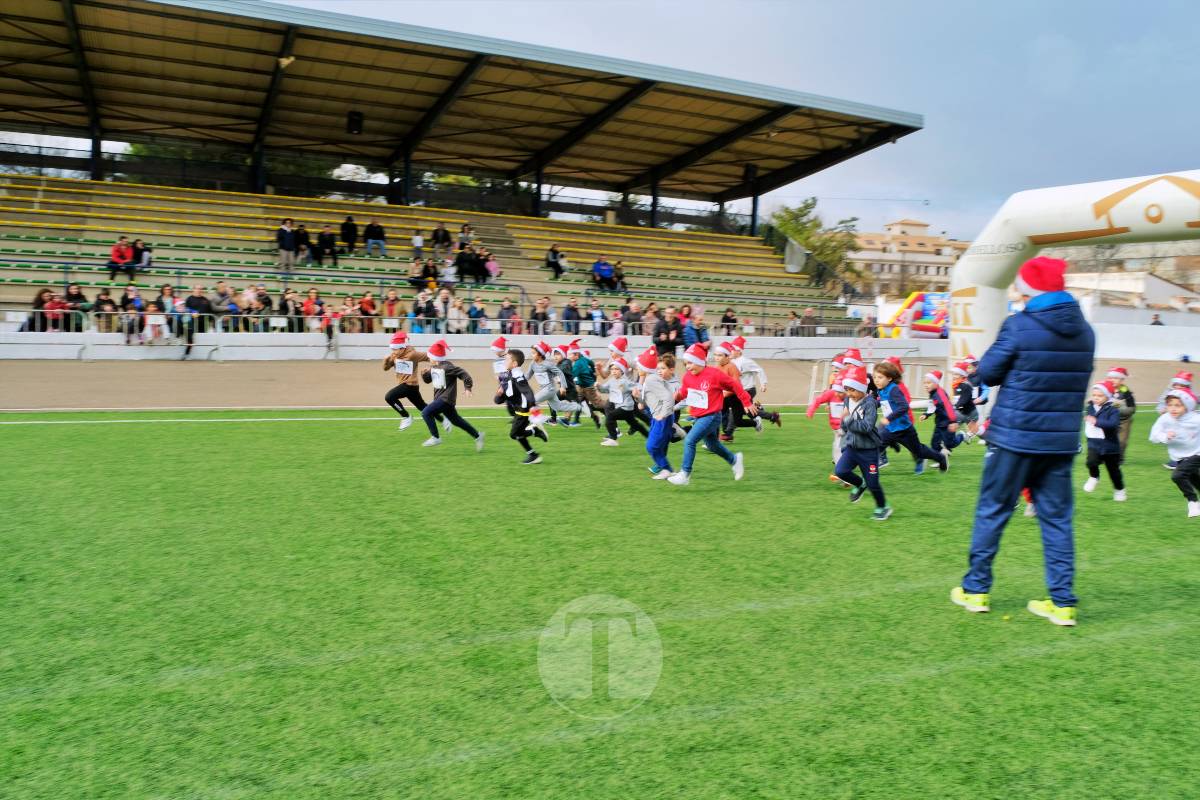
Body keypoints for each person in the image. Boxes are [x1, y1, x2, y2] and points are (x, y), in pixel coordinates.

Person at [951, 256, 1094, 627]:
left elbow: (990, 372)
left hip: (1014, 438)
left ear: (1031, 290)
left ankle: (976, 590)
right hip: (1060, 442)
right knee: (1058, 521)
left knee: (993, 511)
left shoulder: (1019, 325)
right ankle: (1063, 603)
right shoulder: (1086, 331)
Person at [667, 343, 755, 486]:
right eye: (686, 364)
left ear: (700, 361)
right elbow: (684, 392)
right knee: (713, 445)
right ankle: (734, 460)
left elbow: (734, 385)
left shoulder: (714, 374)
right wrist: (673, 397)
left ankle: (685, 474)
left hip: (712, 416)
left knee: (690, 440)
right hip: (699, 416)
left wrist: (746, 402)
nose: (688, 367)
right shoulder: (688, 377)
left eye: (690, 363)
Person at [834, 366, 892, 520]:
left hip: (868, 450)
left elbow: (866, 427)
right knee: (840, 471)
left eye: (852, 390)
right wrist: (843, 426)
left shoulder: (870, 404)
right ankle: (860, 484)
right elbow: (846, 423)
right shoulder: (847, 399)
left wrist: (847, 419)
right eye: (847, 390)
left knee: (873, 484)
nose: (849, 394)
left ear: (862, 388)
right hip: (852, 447)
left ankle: (883, 507)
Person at [874, 360, 947, 474]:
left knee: (919, 452)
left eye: (880, 377)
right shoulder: (881, 389)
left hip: (904, 430)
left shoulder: (894, 389)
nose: (876, 380)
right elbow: (882, 402)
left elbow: (904, 407)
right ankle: (868, 473)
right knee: (875, 444)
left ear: (889, 378)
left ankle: (940, 458)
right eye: (875, 377)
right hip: (890, 430)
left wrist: (888, 418)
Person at [418, 339, 483, 450]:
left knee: (426, 412)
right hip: (442, 400)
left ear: (435, 358)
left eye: (430, 357)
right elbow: (428, 380)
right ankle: (478, 436)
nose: (428, 359)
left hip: (446, 399)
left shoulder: (447, 367)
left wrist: (468, 387)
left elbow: (464, 374)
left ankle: (435, 437)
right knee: (456, 421)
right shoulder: (434, 367)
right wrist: (424, 374)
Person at [1148, 387, 1200, 517]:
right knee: (1195, 480)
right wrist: (1165, 436)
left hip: (1197, 453)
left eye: (1178, 405)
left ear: (1187, 406)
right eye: (1170, 405)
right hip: (1179, 457)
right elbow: (1153, 436)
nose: (1173, 408)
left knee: (1177, 476)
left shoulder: (1196, 419)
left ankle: (1193, 502)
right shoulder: (1165, 418)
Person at [493, 349, 544, 465]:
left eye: (507, 359)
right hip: (517, 409)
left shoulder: (518, 376)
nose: (504, 361)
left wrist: (532, 406)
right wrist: (499, 394)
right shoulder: (508, 374)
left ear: (514, 364)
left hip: (523, 410)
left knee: (514, 434)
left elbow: (528, 391)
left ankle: (533, 447)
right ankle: (533, 450)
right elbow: (503, 396)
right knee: (518, 434)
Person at [634, 348, 678, 478]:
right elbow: (647, 402)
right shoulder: (651, 379)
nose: (637, 367)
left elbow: (668, 398)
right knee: (658, 445)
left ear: (644, 367)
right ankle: (675, 432)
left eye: (638, 365)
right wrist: (638, 397)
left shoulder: (651, 380)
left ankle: (667, 469)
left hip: (662, 417)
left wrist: (663, 415)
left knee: (651, 446)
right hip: (658, 417)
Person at [382, 331, 435, 431]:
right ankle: (443, 419)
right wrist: (386, 360)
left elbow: (429, 356)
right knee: (423, 408)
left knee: (389, 397)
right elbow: (385, 368)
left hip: (410, 385)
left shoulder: (413, 355)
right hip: (407, 386)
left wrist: (433, 367)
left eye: (395, 349)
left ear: (403, 347)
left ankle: (406, 417)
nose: (393, 351)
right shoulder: (394, 355)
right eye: (392, 349)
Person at [1082, 380, 1126, 501]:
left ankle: (1119, 490)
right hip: (1094, 444)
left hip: (1110, 447)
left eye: (1099, 396)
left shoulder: (1113, 409)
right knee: (1090, 462)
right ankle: (1094, 477)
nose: (1096, 398)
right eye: (1094, 395)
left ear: (1107, 396)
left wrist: (1096, 422)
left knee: (1114, 472)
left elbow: (1113, 424)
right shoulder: (1090, 407)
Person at [597, 357, 647, 446]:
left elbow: (638, 386)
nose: (614, 371)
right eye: (612, 369)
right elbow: (604, 390)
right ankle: (650, 436)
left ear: (622, 371)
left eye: (616, 369)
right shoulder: (611, 381)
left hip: (626, 407)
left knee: (610, 417)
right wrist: (598, 386)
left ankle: (613, 439)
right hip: (622, 408)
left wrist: (637, 391)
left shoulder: (625, 382)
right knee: (635, 425)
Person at [919, 370, 960, 456]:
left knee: (950, 443)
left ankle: (962, 436)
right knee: (934, 444)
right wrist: (926, 414)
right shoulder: (932, 393)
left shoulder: (940, 394)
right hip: (939, 423)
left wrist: (953, 422)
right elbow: (932, 406)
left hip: (948, 423)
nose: (926, 385)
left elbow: (949, 407)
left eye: (929, 383)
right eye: (924, 383)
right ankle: (941, 460)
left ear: (936, 383)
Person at [569, 341, 603, 429]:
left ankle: (610, 413)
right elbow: (591, 363)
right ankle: (595, 419)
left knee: (599, 406)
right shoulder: (583, 359)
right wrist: (593, 371)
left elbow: (572, 376)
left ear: (576, 354)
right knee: (580, 405)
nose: (569, 356)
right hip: (582, 388)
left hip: (588, 388)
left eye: (570, 354)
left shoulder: (577, 364)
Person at [1107, 367, 1136, 463]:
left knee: (1121, 441)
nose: (1112, 380)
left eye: (1115, 378)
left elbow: (1132, 408)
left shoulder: (1125, 391)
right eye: (1110, 378)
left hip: (1124, 420)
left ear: (1122, 379)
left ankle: (1119, 458)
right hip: (1108, 419)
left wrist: (1119, 409)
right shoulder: (1105, 389)